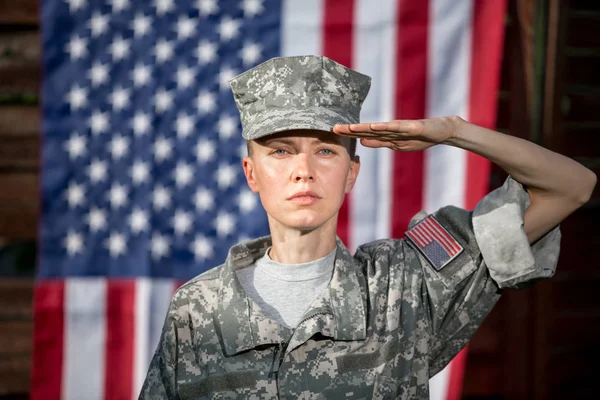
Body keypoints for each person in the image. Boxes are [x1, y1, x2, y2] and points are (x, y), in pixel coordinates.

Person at [139, 55, 596, 399]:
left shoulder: (406, 287)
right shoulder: (197, 309)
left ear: (351, 174)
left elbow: (571, 187)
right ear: (251, 173)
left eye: (325, 151)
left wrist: (455, 131)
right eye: (280, 151)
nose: (304, 170)